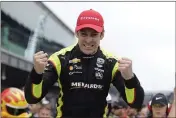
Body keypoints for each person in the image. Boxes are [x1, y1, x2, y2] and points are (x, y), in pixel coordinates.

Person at [24, 9, 144, 117]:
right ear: (76, 33)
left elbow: (135, 102)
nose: (88, 40)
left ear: (102, 34)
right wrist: (37, 73)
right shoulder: (59, 59)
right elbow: (32, 97)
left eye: (94, 35)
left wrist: (130, 78)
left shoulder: (111, 63)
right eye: (84, 34)